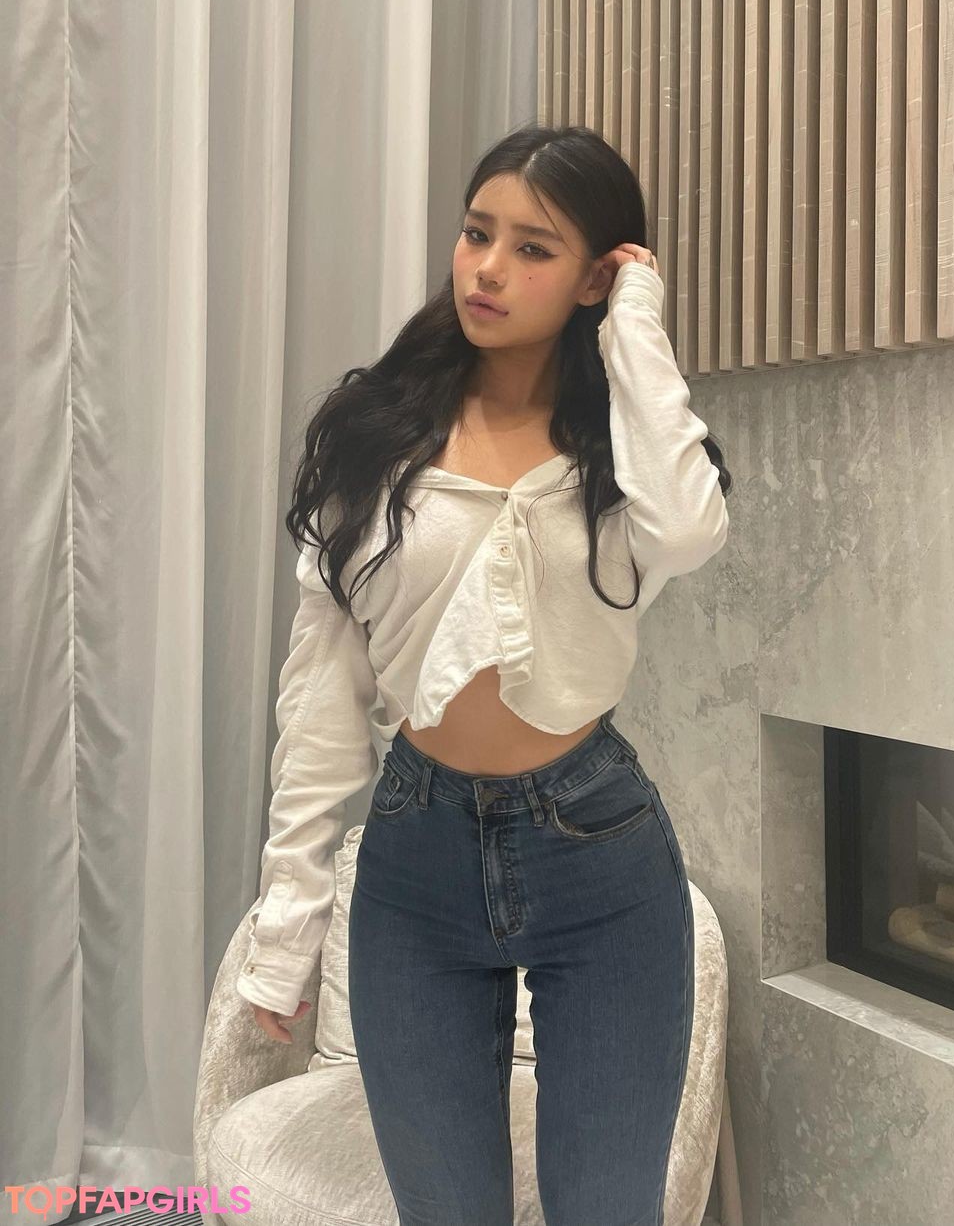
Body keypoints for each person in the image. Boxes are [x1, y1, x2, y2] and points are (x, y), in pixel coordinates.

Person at [237, 123, 733, 1225]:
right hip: (416, 859)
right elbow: (321, 695)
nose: (489, 268)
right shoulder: (377, 436)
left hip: (599, 855)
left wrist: (636, 321)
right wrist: (288, 925)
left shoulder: (622, 455)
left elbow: (691, 529)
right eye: (476, 234)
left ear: (596, 275)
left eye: (534, 248)